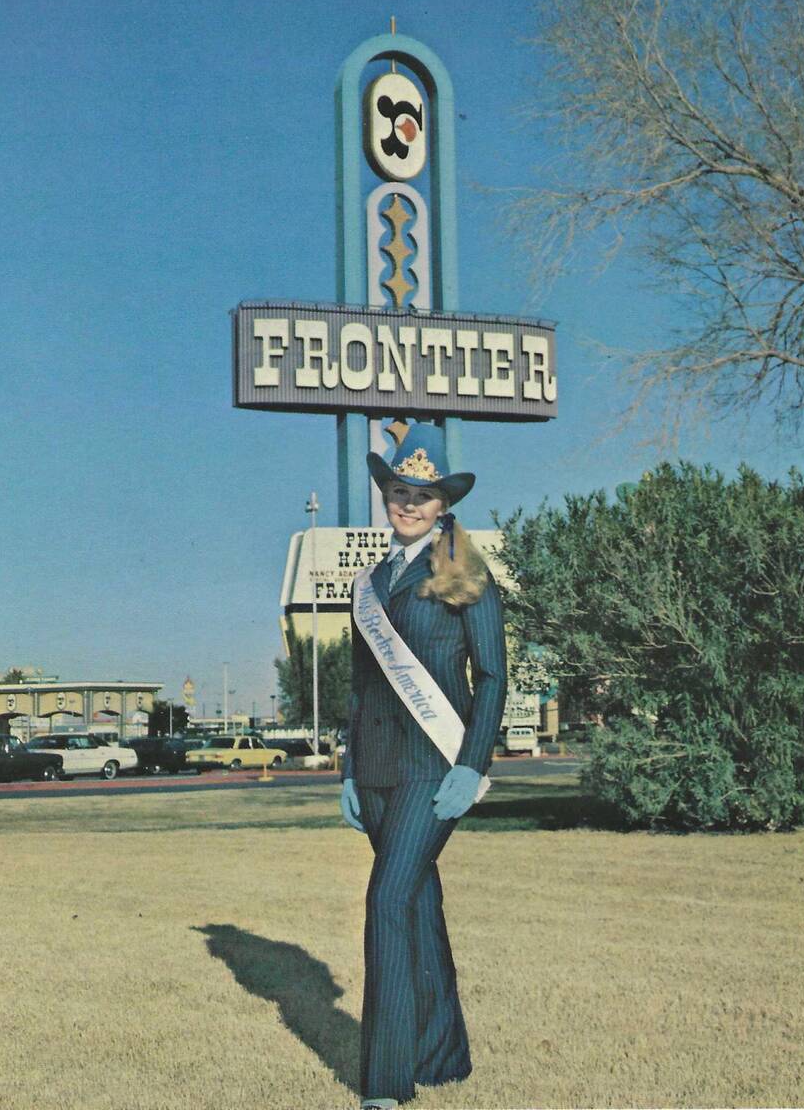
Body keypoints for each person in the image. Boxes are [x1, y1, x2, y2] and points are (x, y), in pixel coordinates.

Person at [340, 421, 507, 1110]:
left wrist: (472, 764)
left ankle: (385, 1084)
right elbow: (358, 685)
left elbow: (493, 675)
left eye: (424, 495)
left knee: (386, 902)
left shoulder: (459, 564)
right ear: (387, 493)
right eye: (400, 491)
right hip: (378, 768)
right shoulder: (374, 578)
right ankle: (444, 1056)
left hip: (432, 767)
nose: (409, 504)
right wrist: (348, 771)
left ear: (444, 503)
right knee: (418, 908)